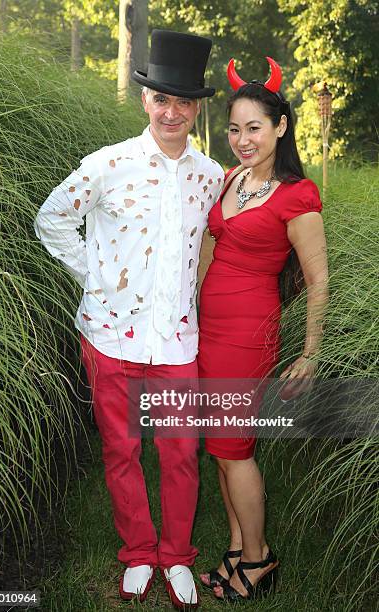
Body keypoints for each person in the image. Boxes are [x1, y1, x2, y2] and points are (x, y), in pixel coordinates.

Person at [34, 29, 223, 609]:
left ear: (195, 107)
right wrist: (96, 277)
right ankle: (140, 553)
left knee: (179, 453)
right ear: (146, 100)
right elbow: (52, 219)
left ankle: (177, 557)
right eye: (161, 99)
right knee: (120, 450)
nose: (172, 111)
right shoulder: (107, 164)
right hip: (109, 335)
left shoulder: (210, 176)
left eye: (183, 101)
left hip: (175, 342)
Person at [198, 57, 328, 601]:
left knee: (235, 447)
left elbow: (319, 280)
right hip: (206, 329)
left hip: (248, 333)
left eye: (254, 127)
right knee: (220, 446)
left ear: (280, 126)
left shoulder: (297, 195)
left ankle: (258, 559)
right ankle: (235, 549)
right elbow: (208, 249)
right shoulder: (230, 178)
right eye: (234, 128)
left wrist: (310, 353)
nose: (242, 139)